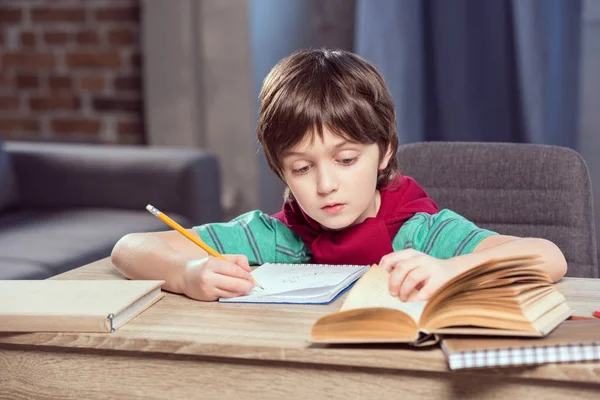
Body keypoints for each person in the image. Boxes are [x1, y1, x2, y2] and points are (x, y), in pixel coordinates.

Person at [111, 49, 567, 302]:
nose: (325, 185)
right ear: (281, 172)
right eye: (302, 168)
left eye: (346, 160)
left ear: (384, 151)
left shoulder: (422, 233)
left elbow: (547, 256)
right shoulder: (273, 237)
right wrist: (187, 272)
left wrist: (451, 269)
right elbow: (129, 248)